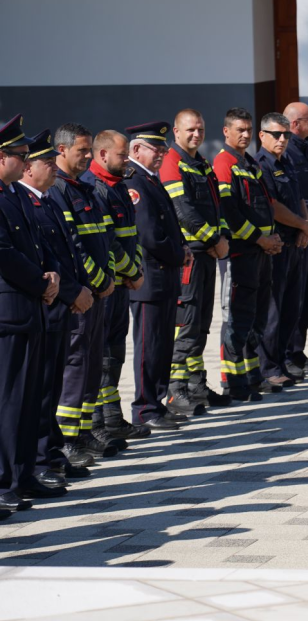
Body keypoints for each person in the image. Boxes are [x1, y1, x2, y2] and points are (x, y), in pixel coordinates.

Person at [17, 130, 95, 489]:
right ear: (27, 169)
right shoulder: (25, 203)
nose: (52, 167)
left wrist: (79, 288)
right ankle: (39, 459)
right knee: (41, 389)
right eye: (45, 162)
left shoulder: (48, 201)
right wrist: (71, 292)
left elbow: (67, 253)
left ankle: (49, 454)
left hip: (60, 306)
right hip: (45, 307)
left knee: (50, 386)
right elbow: (43, 261)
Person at [0, 115, 62, 512]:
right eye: (20, 155)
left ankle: (22, 475)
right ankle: (4, 480)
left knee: (26, 400)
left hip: (28, 310)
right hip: (9, 312)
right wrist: (43, 284)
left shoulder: (12, 196)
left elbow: (36, 247)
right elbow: (4, 254)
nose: (26, 163)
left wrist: (50, 275)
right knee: (7, 402)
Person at [49, 123, 119, 461]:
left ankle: (87, 430)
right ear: (61, 150)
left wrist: (110, 276)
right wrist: (98, 280)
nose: (89, 156)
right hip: (81, 296)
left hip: (97, 293)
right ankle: (67, 439)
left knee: (92, 363)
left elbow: (103, 239)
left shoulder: (85, 188)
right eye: (82, 151)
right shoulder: (58, 190)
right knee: (75, 365)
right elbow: (72, 249)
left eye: (91, 149)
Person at [160, 109, 231, 412]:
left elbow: (217, 206)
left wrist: (222, 236)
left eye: (200, 129)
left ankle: (196, 385)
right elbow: (182, 211)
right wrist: (215, 240)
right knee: (186, 324)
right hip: (190, 257)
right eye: (190, 130)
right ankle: (176, 391)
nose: (196, 135)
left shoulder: (201, 163)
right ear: (176, 131)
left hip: (207, 254)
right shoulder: (172, 164)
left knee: (201, 324)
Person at [81, 130, 148, 443]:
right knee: (97, 357)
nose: (127, 160)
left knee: (114, 354)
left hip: (122, 283)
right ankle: (94, 423)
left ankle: (112, 419)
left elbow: (130, 235)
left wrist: (134, 268)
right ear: (103, 155)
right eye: (122, 155)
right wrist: (130, 270)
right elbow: (105, 243)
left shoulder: (118, 185)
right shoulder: (94, 188)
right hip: (106, 285)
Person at [213, 108, 283, 401]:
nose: (245, 135)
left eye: (248, 130)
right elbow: (230, 211)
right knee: (237, 319)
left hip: (260, 252)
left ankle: (252, 376)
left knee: (255, 318)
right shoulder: (223, 163)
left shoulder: (249, 162)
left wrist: (273, 237)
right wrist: (259, 238)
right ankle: (233, 381)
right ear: (226, 131)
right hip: (241, 253)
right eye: (239, 129)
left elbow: (264, 204)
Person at [125, 121, 190, 429]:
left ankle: (157, 404)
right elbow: (149, 234)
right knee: (149, 346)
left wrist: (182, 247)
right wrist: (178, 254)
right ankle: (144, 410)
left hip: (165, 276)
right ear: (136, 149)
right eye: (157, 149)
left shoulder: (151, 179)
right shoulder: (135, 182)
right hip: (149, 279)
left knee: (163, 344)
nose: (162, 154)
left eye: (164, 149)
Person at [255, 112, 308, 387]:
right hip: (276, 248)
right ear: (262, 136)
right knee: (274, 310)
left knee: (293, 307)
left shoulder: (287, 160)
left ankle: (281, 361)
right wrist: (303, 224)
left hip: (295, 244)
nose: (282, 139)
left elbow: (299, 197)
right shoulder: (261, 165)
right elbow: (274, 207)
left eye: (285, 135)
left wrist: (304, 228)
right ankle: (267, 369)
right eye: (276, 135)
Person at [282, 101, 308, 376]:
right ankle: (285, 354)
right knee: (291, 300)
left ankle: (297, 351)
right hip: (297, 237)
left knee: (307, 297)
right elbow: (293, 199)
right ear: (295, 124)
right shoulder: (288, 153)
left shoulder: (305, 148)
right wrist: (303, 227)